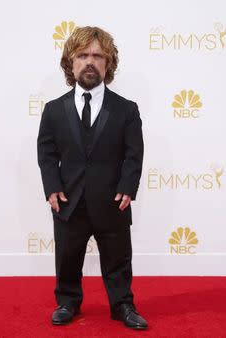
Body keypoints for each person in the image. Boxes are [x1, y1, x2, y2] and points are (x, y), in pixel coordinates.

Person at [37, 26, 147, 330]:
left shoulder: (126, 109)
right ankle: (67, 302)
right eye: (82, 55)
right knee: (67, 257)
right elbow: (46, 152)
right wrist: (52, 188)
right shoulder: (53, 110)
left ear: (108, 64)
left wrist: (127, 187)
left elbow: (133, 154)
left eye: (98, 56)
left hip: (112, 201)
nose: (90, 61)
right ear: (70, 63)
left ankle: (122, 305)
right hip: (68, 200)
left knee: (118, 259)